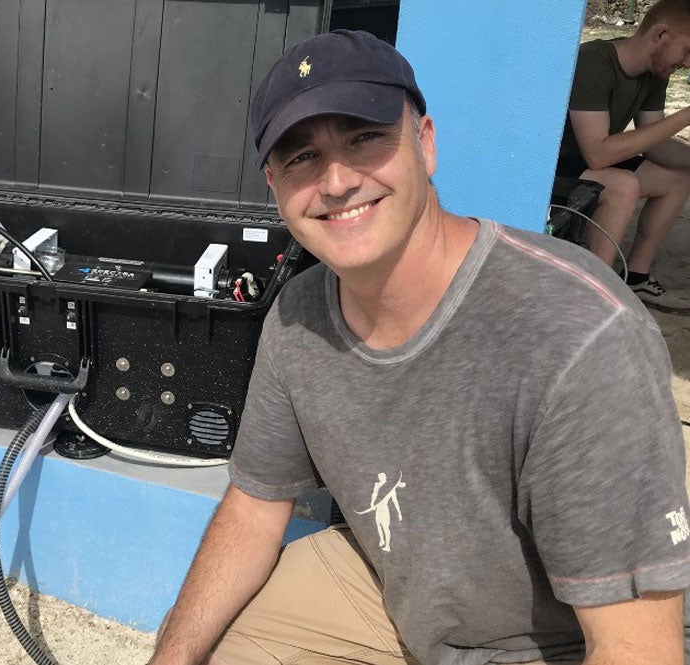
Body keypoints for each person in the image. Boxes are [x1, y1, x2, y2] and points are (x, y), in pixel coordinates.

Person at [149, 29, 690, 665]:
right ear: (274, 186)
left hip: (549, 641)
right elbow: (253, 506)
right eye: (302, 158)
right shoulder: (298, 315)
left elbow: (638, 650)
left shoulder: (576, 332)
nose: (338, 181)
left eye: (365, 137)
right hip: (394, 590)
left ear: (425, 144)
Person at [556, 0, 690, 311]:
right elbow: (598, 154)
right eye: (686, 50)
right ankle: (593, 295)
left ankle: (637, 278)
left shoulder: (656, 72)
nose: (686, 63)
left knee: (679, 178)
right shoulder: (594, 62)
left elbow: (655, 143)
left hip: (592, 160)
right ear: (661, 34)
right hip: (554, 167)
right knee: (622, 184)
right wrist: (685, 117)